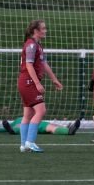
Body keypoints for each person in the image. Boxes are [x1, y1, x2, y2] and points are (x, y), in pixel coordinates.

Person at [18, 19, 63, 153]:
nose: (45, 31)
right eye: (43, 28)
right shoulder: (31, 45)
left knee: (28, 114)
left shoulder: (37, 45)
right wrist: (37, 83)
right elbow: (29, 65)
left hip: (26, 81)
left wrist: (54, 79)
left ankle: (23, 145)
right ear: (35, 31)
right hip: (28, 82)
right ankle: (30, 142)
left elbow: (44, 64)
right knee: (41, 110)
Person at [0, 117, 80, 135]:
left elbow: (5, 127)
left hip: (34, 123)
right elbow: (5, 128)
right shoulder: (18, 120)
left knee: (18, 127)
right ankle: (67, 130)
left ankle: (68, 129)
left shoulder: (18, 120)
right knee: (50, 127)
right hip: (36, 123)